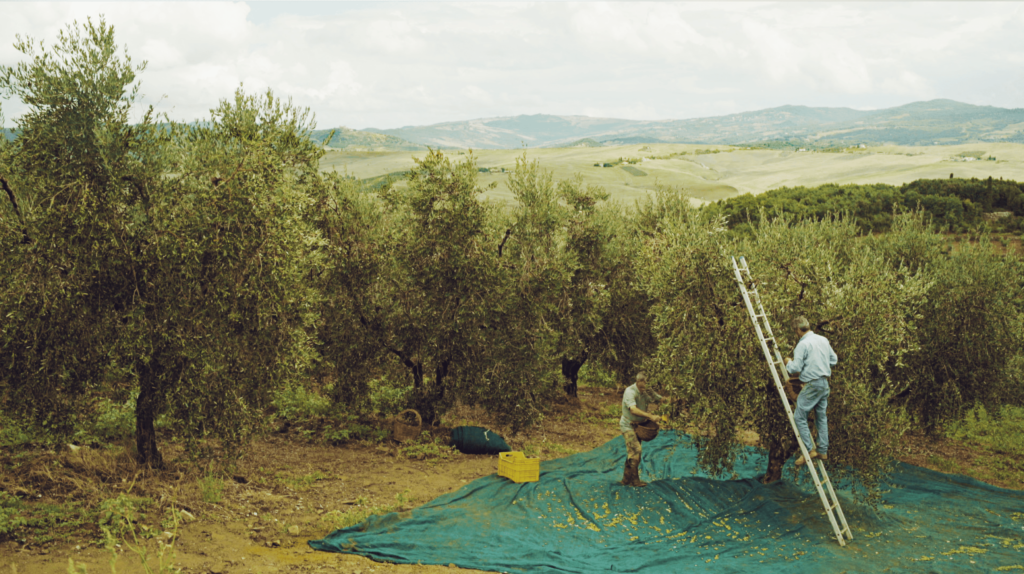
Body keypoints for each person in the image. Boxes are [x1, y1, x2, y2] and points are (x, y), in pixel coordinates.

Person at [784, 316, 838, 466]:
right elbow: (834, 360)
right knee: (821, 417)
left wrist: (788, 362)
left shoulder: (803, 344)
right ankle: (822, 450)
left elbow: (795, 368)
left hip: (812, 384)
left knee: (799, 416)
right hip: (823, 384)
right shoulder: (823, 340)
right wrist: (820, 364)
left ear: (797, 330)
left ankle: (809, 450)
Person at [619, 373, 664, 487]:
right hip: (628, 425)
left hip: (639, 426)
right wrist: (650, 416)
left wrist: (675, 401)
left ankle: (625, 479)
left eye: (646, 384)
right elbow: (633, 410)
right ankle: (634, 481)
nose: (645, 387)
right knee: (636, 451)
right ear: (638, 381)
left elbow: (659, 399)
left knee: (633, 452)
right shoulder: (630, 392)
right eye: (643, 384)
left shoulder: (647, 390)